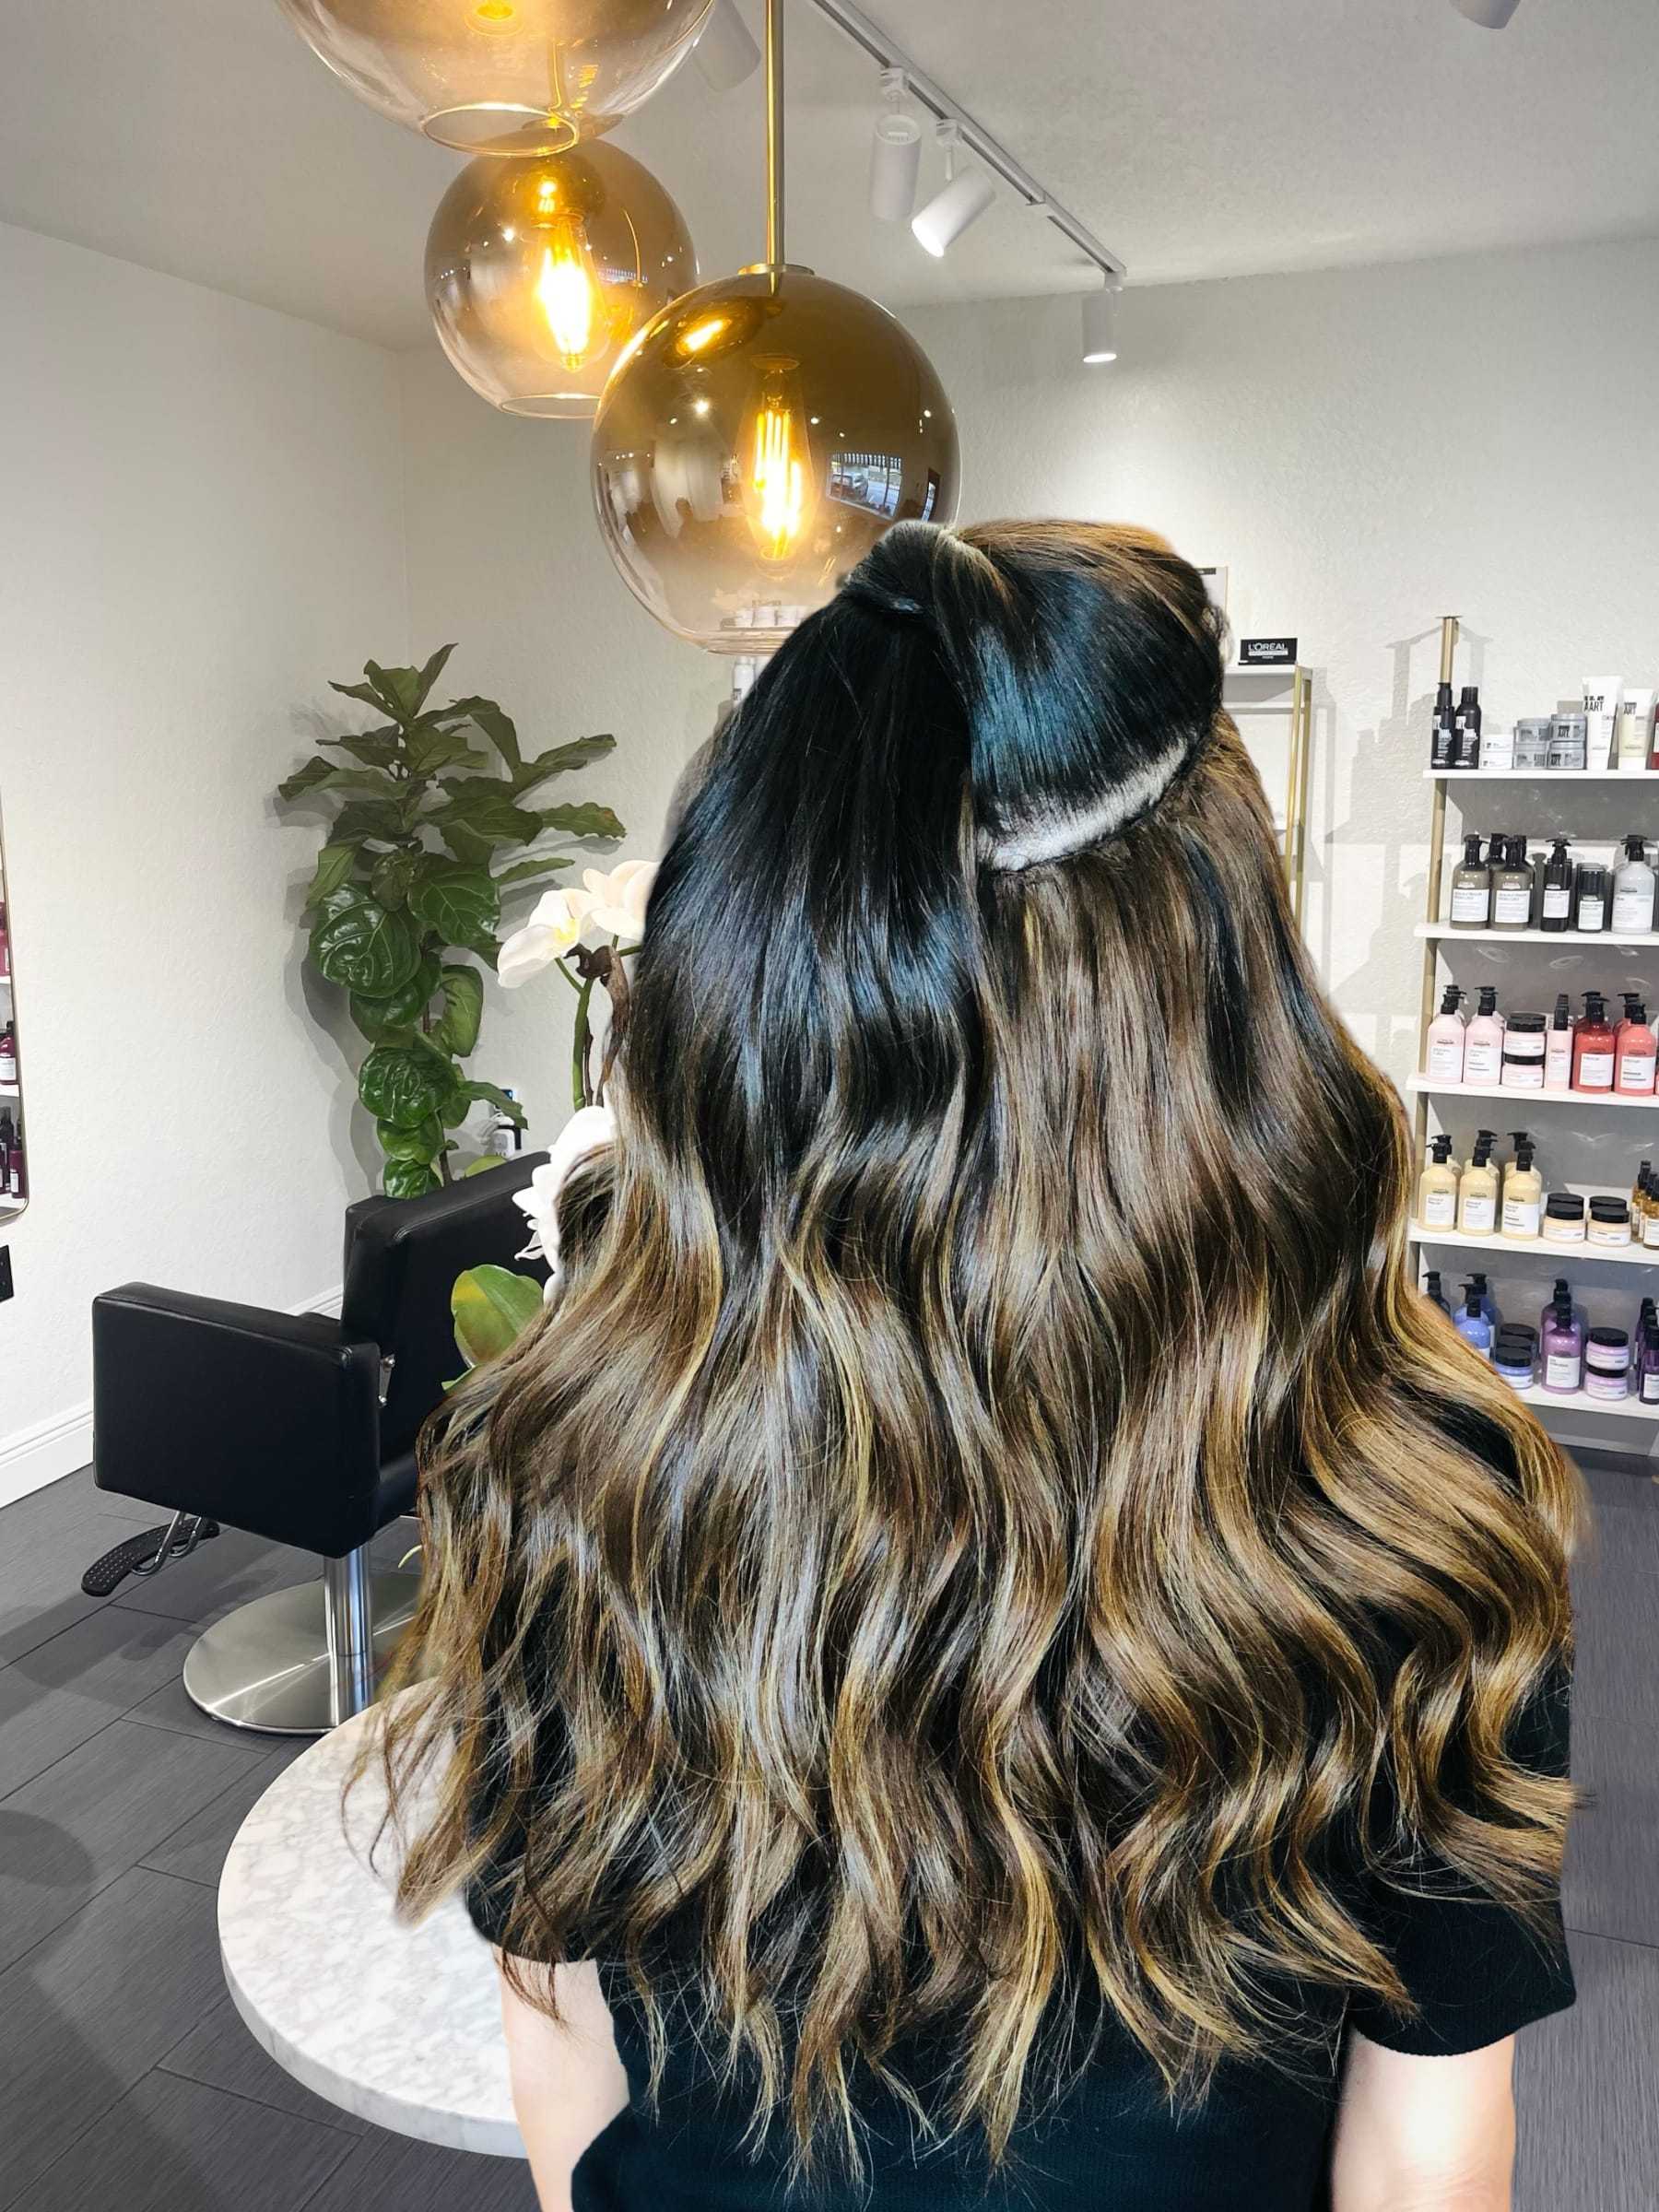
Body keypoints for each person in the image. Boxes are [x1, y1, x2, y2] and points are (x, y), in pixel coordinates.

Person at [379, 521, 1579, 2211]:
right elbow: (1424, 2165)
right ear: (1229, 989)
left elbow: (565, 2057)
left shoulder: (568, 1457)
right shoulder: (1412, 1503)